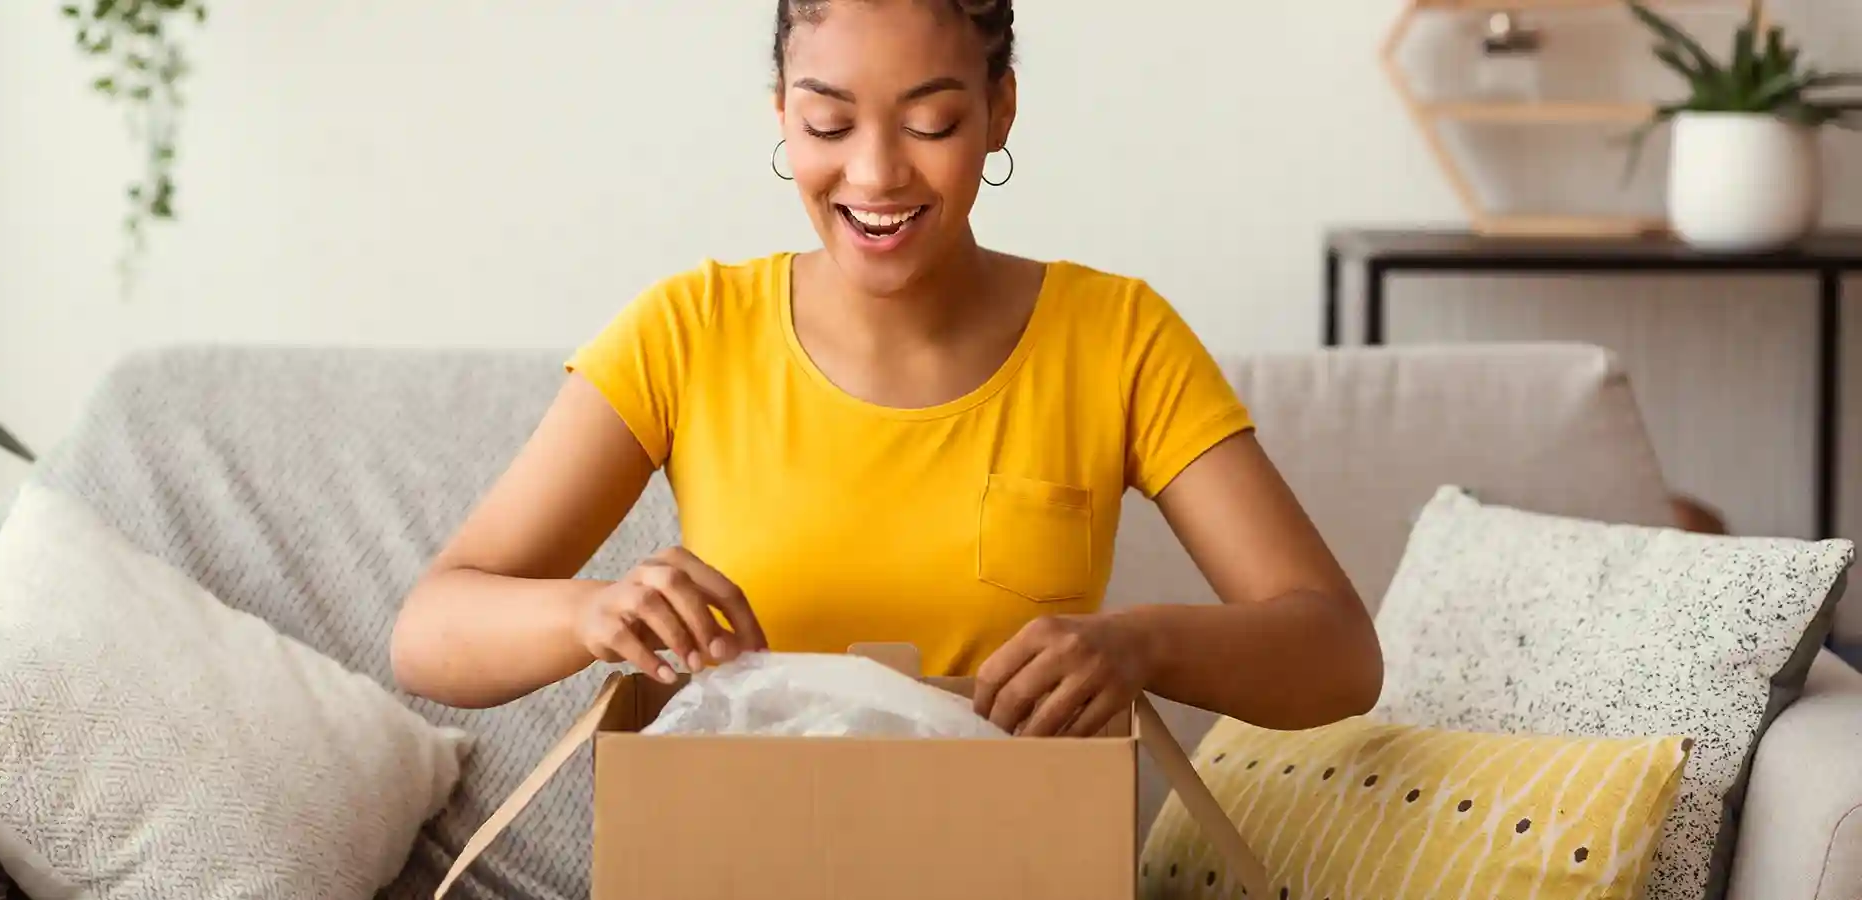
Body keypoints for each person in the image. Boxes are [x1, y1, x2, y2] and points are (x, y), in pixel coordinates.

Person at [390, 0, 1382, 738]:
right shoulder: (685, 331)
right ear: (782, 116)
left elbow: (1337, 652)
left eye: (930, 124)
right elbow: (429, 633)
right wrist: (591, 611)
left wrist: (1141, 644)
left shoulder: (1118, 337)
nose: (874, 176)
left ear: (1001, 112)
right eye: (829, 125)